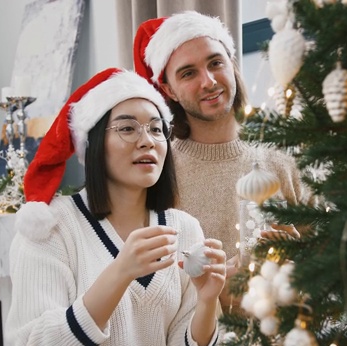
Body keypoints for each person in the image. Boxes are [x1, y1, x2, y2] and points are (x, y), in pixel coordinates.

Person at [5, 68, 226, 346]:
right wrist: (120, 273)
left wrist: (208, 301)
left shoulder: (184, 229)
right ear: (93, 144)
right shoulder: (51, 229)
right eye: (127, 128)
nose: (147, 140)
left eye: (157, 128)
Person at [133, 11, 310, 307]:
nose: (209, 81)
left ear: (231, 63)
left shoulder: (281, 159)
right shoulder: (156, 173)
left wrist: (301, 259)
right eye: (188, 73)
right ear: (168, 90)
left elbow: (340, 267)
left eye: (216, 63)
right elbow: (148, 295)